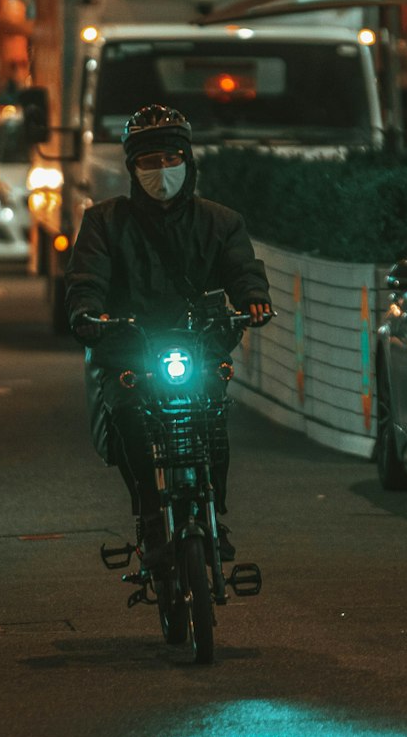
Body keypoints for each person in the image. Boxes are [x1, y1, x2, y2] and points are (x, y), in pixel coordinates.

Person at [64, 104, 273, 565]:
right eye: (149, 161)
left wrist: (253, 299)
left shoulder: (220, 222)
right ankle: (151, 516)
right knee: (130, 421)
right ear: (131, 167)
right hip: (129, 348)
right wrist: (86, 310)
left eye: (171, 158)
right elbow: (87, 278)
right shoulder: (104, 222)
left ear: (188, 160)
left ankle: (214, 512)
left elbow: (242, 269)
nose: (162, 170)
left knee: (213, 417)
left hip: (198, 342)